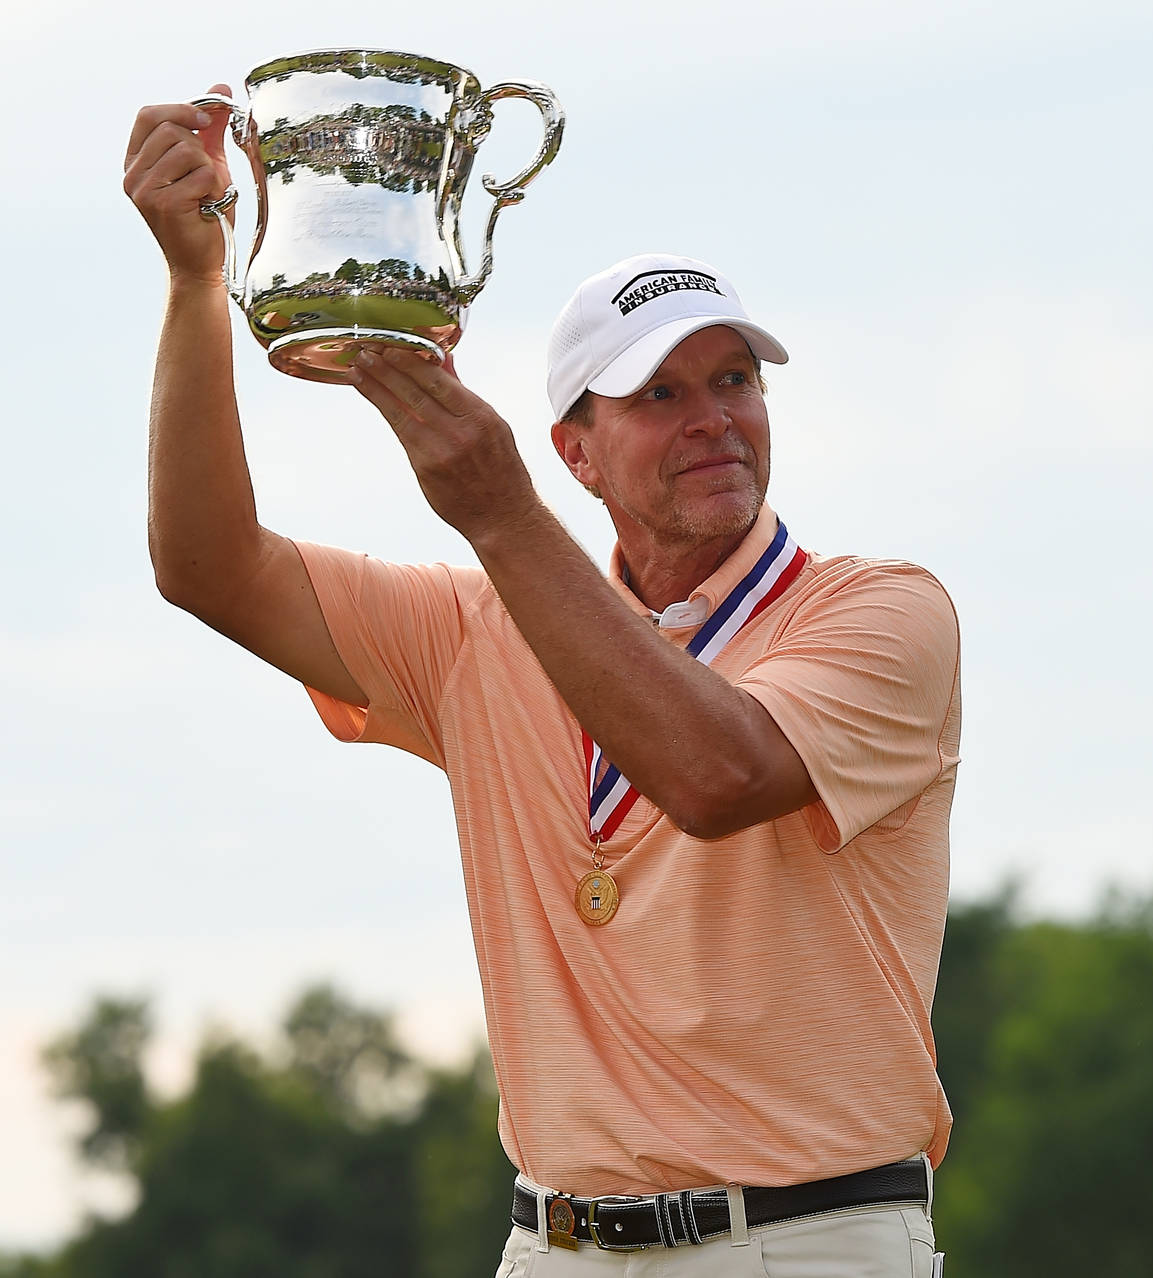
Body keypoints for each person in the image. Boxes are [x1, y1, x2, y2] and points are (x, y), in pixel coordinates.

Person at [124, 90, 959, 1277]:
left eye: (735, 382)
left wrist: (501, 515)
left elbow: (718, 772)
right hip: (550, 1243)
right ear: (577, 450)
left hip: (814, 1240)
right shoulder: (479, 626)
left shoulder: (881, 610)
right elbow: (207, 565)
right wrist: (195, 286)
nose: (715, 420)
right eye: (660, 395)